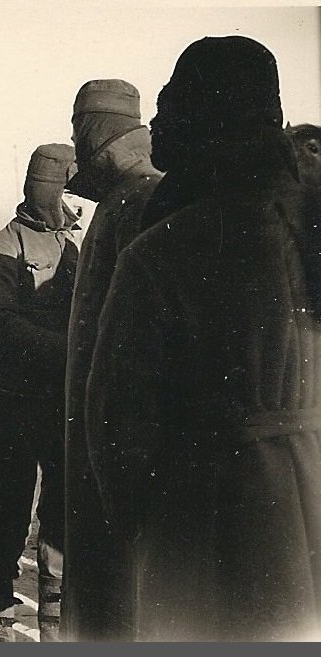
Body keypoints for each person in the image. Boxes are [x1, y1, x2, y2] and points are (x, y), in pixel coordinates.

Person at [86, 36, 321, 641]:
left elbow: (117, 427)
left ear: (197, 122)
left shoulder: (160, 253)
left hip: (205, 521)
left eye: (170, 108)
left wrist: (150, 528)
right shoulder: (307, 237)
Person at [60, 79, 163, 642]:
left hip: (117, 446)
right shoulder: (124, 200)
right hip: (99, 440)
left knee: (119, 600)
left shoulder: (139, 200)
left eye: (79, 129)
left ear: (96, 131)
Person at [0, 145, 79, 641]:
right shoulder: (2, 246)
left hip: (61, 403)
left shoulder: (79, 243)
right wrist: (70, 349)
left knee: (60, 513)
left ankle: (54, 622)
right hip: (12, 401)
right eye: (46, 185)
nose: (52, 196)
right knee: (7, 513)